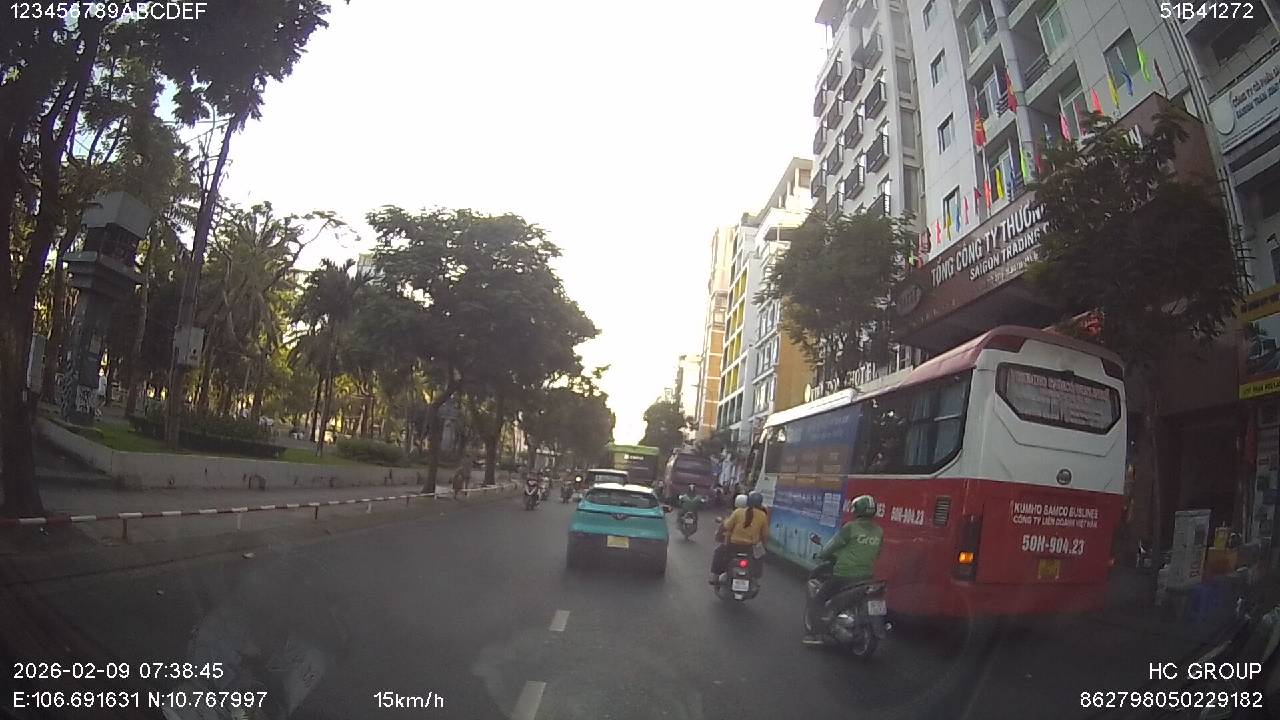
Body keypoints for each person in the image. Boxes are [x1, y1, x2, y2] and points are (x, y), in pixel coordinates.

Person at [803, 494, 883, 646]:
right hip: (867, 576)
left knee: (818, 600)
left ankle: (816, 635)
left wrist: (822, 555)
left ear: (857, 510)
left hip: (844, 574)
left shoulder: (851, 527)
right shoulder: (879, 531)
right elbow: (878, 552)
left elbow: (833, 545)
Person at [709, 493, 768, 584]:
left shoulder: (738, 512)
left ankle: (715, 576)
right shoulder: (763, 516)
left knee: (718, 552)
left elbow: (727, 526)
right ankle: (755, 579)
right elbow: (764, 535)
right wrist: (763, 545)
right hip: (750, 548)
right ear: (760, 504)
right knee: (760, 557)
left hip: (734, 545)